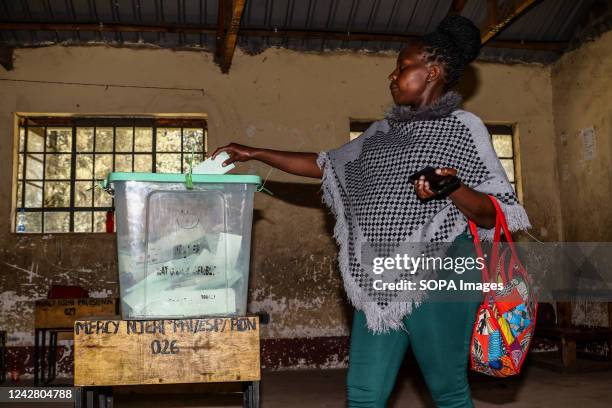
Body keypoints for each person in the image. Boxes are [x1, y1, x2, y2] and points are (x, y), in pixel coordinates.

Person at [212, 15, 530, 408]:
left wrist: (453, 187)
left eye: (403, 67)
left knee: (447, 389)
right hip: (379, 279)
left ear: (432, 71)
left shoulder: (463, 128)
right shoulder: (380, 135)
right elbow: (325, 164)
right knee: (363, 392)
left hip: (443, 269)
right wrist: (255, 152)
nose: (392, 76)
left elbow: (494, 213)